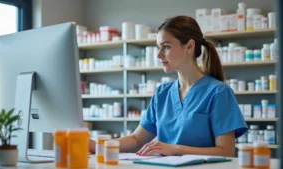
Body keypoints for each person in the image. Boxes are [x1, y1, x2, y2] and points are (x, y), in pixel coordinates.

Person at [88, 15, 248, 157]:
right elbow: (137, 139)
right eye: (159, 47)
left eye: (166, 47)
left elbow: (225, 151)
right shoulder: (162, 93)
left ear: (189, 46)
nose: (159, 55)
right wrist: (97, 146)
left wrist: (176, 149)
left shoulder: (218, 92)